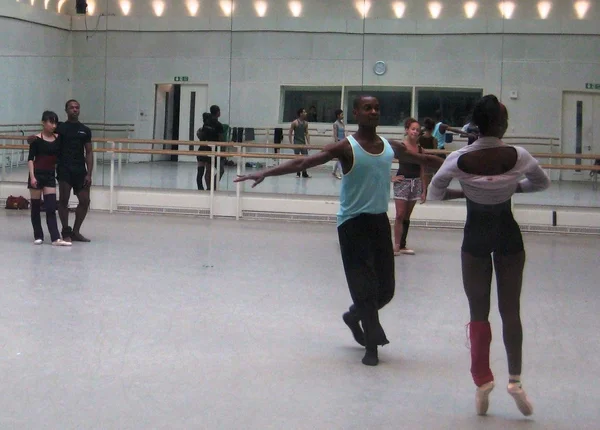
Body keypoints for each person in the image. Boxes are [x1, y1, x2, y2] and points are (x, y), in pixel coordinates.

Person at [235, 95, 443, 366]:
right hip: (352, 224)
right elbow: (302, 163)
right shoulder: (346, 147)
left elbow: (422, 158)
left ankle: (353, 316)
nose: (373, 112)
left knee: (387, 290)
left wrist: (459, 165)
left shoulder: (390, 147)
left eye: (377, 108)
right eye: (367, 108)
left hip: (379, 221)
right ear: (356, 112)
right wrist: (265, 172)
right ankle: (372, 346)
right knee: (364, 287)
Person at [428, 95, 550, 416]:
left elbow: (435, 193)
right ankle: (515, 381)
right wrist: (510, 186)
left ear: (476, 125)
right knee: (511, 311)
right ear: (499, 124)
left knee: (478, 313)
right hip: (508, 236)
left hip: (475, 237)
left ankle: (482, 381)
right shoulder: (518, 155)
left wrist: (468, 190)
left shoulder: (459, 158)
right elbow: (541, 183)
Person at [27, 111, 71, 247]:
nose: (53, 125)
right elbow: (30, 159)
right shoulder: (36, 140)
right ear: (43, 123)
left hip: (50, 175)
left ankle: (55, 237)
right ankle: (38, 235)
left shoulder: (58, 139)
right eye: (50, 122)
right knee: (35, 207)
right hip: (37, 174)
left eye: (55, 123)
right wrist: (32, 177)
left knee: (51, 207)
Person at [392, 118, 427, 256]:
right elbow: (384, 160)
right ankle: (395, 245)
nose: (415, 132)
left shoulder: (420, 149)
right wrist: (392, 178)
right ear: (407, 130)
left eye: (417, 130)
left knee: (406, 216)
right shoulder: (401, 147)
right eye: (413, 129)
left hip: (415, 182)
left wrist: (424, 189)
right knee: (400, 214)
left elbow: (423, 169)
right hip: (402, 182)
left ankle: (402, 245)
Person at [202, 105, 225, 190]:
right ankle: (213, 186)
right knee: (221, 170)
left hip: (207, 149)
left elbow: (202, 134)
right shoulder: (218, 125)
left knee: (208, 169)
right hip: (216, 150)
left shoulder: (206, 123)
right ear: (218, 112)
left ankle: (209, 187)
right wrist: (223, 152)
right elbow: (221, 139)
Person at [289, 108, 311, 178]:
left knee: (305, 158)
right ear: (301, 114)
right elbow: (290, 133)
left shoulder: (306, 123)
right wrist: (291, 144)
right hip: (296, 142)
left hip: (303, 142)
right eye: (304, 112)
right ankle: (298, 173)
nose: (306, 113)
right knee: (297, 158)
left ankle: (304, 173)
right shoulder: (294, 122)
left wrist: (309, 143)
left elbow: (307, 133)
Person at [195, 112, 213, 191]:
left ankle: (200, 188)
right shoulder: (211, 130)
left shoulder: (200, 130)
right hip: (208, 151)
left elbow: (199, 136)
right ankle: (209, 188)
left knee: (200, 172)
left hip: (201, 150)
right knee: (208, 171)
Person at [332, 109, 345, 179]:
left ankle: (334, 172)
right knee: (340, 158)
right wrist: (337, 143)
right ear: (338, 115)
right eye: (341, 114)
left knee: (340, 158)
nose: (343, 116)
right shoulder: (335, 124)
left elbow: (343, 133)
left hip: (343, 142)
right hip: (339, 142)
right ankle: (340, 173)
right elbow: (335, 134)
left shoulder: (342, 123)